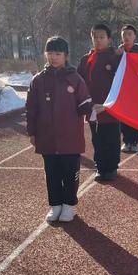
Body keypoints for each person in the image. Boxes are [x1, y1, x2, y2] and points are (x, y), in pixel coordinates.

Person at [26, 36, 92, 222]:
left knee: (70, 174)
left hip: (70, 138)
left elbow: (85, 103)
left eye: (58, 53)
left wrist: (95, 110)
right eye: (50, 53)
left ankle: (68, 206)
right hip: (47, 137)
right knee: (52, 173)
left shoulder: (75, 79)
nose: (53, 57)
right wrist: (32, 132)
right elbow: (31, 108)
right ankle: (55, 205)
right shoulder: (38, 80)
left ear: (66, 56)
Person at [78, 23, 121, 182]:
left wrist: (120, 56)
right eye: (95, 37)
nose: (98, 40)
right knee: (97, 139)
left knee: (112, 138)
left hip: (110, 107)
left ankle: (112, 167)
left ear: (109, 39)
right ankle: (101, 167)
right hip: (93, 108)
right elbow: (78, 81)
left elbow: (125, 77)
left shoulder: (115, 57)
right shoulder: (85, 59)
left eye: (101, 37)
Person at [118, 24, 138, 154]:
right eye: (124, 34)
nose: (126, 37)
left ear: (134, 36)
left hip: (135, 90)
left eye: (129, 34)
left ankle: (135, 142)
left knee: (133, 115)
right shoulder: (118, 51)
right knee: (124, 116)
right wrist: (118, 56)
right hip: (122, 89)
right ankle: (127, 142)